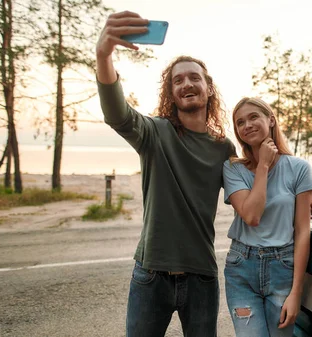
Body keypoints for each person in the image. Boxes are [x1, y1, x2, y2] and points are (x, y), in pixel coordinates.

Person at [95, 11, 236, 337]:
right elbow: (117, 113)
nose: (187, 82)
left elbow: (248, 198)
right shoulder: (154, 133)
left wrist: (298, 195)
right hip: (151, 274)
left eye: (194, 77)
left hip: (202, 276)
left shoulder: (223, 147)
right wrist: (104, 55)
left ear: (208, 88)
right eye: (178, 80)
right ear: (171, 93)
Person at [222, 97, 312, 337]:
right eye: (240, 122)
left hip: (282, 267)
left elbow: (302, 231)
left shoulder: (299, 168)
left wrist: (296, 293)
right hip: (241, 268)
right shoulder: (233, 169)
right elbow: (252, 216)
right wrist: (263, 165)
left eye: (254, 117)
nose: (247, 125)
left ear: (271, 120)